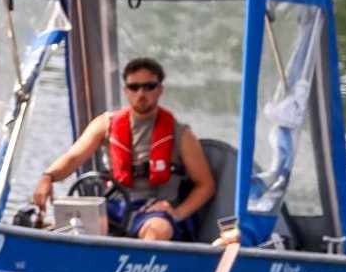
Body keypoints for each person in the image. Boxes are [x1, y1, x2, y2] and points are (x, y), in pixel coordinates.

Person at [29, 58, 216, 241]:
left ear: (160, 90)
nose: (141, 93)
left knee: (156, 232)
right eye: (134, 87)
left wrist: (177, 213)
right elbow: (73, 157)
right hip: (114, 207)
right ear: (126, 90)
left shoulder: (181, 134)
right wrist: (48, 177)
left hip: (154, 210)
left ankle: (142, 259)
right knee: (60, 227)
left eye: (149, 86)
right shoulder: (105, 125)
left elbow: (206, 185)